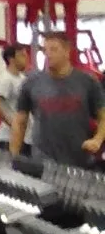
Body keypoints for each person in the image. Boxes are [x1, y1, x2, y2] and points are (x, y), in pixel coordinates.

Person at [9, 28, 105, 168]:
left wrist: (97, 139)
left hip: (80, 162)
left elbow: (103, 117)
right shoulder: (31, 83)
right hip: (42, 162)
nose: (48, 54)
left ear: (67, 52)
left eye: (53, 49)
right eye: (45, 50)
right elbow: (20, 122)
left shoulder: (87, 82)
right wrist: (14, 157)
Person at [0, 43, 30, 146]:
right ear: (11, 59)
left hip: (25, 138)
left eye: (26, 55)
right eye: (22, 55)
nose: (26, 58)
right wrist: (13, 124)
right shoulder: (6, 79)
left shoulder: (23, 78)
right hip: (10, 139)